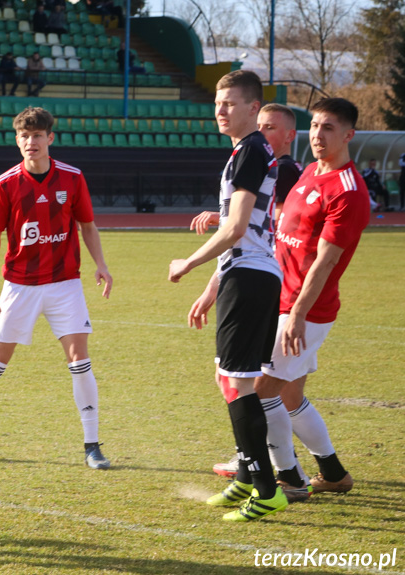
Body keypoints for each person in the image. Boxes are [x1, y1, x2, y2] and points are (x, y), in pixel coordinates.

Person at [0, 106, 114, 470]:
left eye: (37, 135)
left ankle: (92, 445)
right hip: (19, 285)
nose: (30, 142)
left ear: (50, 138)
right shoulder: (5, 184)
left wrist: (101, 265)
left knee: (79, 361)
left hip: (65, 284)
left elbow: (88, 226)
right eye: (24, 136)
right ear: (17, 139)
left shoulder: (72, 178)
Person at [168, 70, 287, 521]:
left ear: (254, 108)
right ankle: (245, 481)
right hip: (246, 276)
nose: (221, 110)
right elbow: (245, 233)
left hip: (251, 279)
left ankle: (266, 489)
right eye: (218, 102)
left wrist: (189, 263)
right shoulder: (246, 152)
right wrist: (212, 286)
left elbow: (236, 229)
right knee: (232, 378)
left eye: (231, 103)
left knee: (238, 384)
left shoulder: (250, 151)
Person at [246, 98, 370, 502]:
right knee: (289, 394)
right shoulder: (310, 171)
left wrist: (297, 313)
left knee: (262, 391)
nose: (318, 135)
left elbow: (326, 261)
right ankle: (333, 474)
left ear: (349, 135)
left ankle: (289, 478)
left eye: (329, 128)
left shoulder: (348, 191)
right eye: (315, 126)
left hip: (306, 309)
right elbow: (283, 224)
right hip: (281, 299)